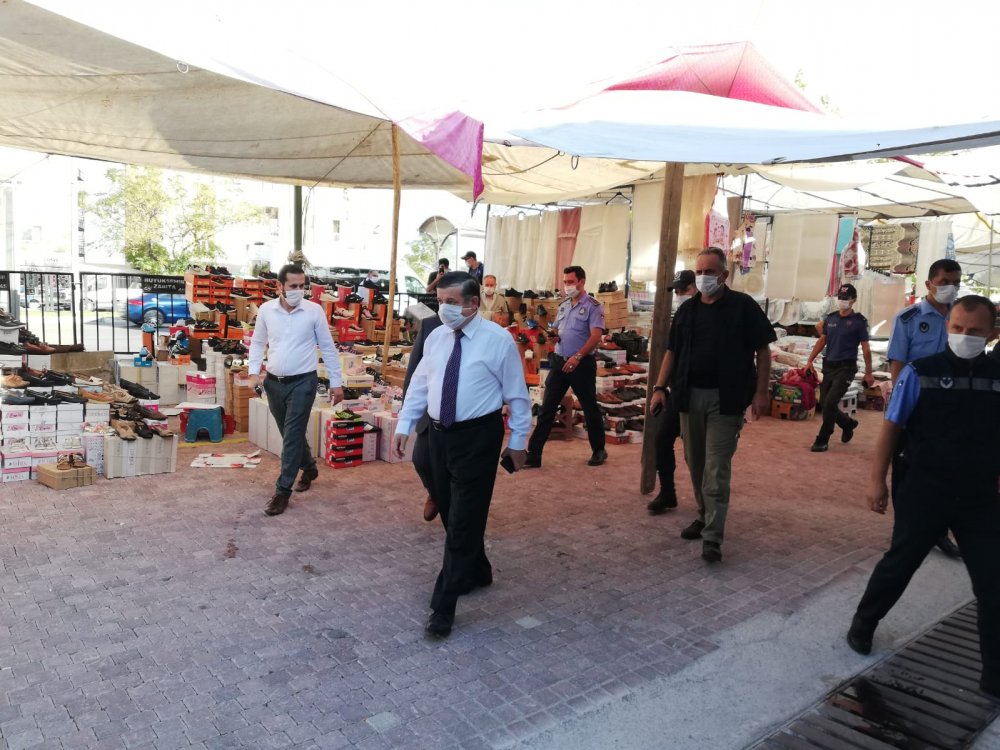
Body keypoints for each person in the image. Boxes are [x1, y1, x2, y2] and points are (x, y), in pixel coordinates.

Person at [846, 295, 1000, 702]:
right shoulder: (920, 372)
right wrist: (876, 481)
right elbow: (891, 428)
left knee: (993, 582)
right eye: (958, 328)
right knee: (900, 563)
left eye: (975, 331)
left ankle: (994, 673)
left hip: (981, 497)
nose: (965, 336)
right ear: (947, 328)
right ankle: (863, 624)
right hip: (925, 489)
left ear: (992, 334)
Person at [393, 271, 531, 638]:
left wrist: (519, 441)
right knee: (451, 509)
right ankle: (478, 569)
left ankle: (443, 605)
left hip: (477, 438)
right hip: (439, 436)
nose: (444, 309)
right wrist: (405, 425)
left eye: (451, 302)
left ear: (472, 303)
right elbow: (420, 385)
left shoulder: (498, 341)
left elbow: (518, 396)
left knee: (463, 521)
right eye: (440, 302)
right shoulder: (437, 337)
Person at [648, 247, 776, 563]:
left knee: (716, 467)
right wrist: (660, 388)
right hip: (689, 396)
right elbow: (672, 352)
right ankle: (705, 514)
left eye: (710, 272)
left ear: (724, 275)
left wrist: (761, 393)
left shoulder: (743, 307)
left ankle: (713, 537)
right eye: (700, 272)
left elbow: (763, 350)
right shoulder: (688, 311)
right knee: (695, 462)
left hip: (726, 399)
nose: (704, 277)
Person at [248, 263, 344, 516]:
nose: (298, 290)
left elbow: (328, 347)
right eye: (293, 286)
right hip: (273, 383)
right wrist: (253, 372)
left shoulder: (313, 311)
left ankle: (282, 491)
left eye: (302, 286)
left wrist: (336, 382)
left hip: (303, 382)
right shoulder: (267, 310)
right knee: (290, 433)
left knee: (291, 437)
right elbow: (257, 343)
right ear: (279, 286)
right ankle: (309, 468)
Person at [887, 258, 964, 559]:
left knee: (945, 471)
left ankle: (938, 532)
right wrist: (900, 408)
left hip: (951, 408)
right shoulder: (908, 319)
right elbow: (897, 364)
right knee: (906, 470)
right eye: (944, 282)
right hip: (916, 405)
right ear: (929, 283)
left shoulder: (960, 316)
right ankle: (902, 532)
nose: (950, 288)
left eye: (956, 282)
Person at [524, 266, 607, 468]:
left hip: (581, 364)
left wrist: (577, 357)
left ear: (581, 282)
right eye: (565, 282)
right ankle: (534, 454)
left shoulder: (593, 306)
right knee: (547, 408)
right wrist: (553, 336)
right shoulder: (564, 305)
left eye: (571, 282)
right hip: (560, 362)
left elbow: (596, 336)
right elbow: (556, 330)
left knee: (589, 407)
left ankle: (599, 449)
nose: (567, 286)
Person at [805, 283, 874, 452]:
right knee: (825, 402)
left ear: (853, 300)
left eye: (846, 298)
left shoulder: (858, 322)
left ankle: (823, 439)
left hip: (846, 368)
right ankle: (847, 423)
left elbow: (866, 348)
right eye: (840, 297)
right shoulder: (831, 319)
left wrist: (868, 372)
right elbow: (822, 340)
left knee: (830, 403)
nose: (842, 300)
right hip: (829, 366)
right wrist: (809, 360)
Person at [648, 270, 695, 514]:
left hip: (704, 394)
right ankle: (667, 492)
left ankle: (707, 506)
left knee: (696, 452)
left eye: (683, 290)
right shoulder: (682, 315)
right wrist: (659, 387)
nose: (679, 295)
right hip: (679, 390)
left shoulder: (720, 315)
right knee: (663, 439)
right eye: (677, 291)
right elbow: (671, 351)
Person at [403, 310, 444, 523]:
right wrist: (406, 415)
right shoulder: (430, 325)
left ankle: (454, 507)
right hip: (430, 406)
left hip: (466, 414)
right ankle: (434, 492)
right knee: (421, 459)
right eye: (442, 301)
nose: (446, 306)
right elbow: (414, 371)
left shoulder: (486, 331)